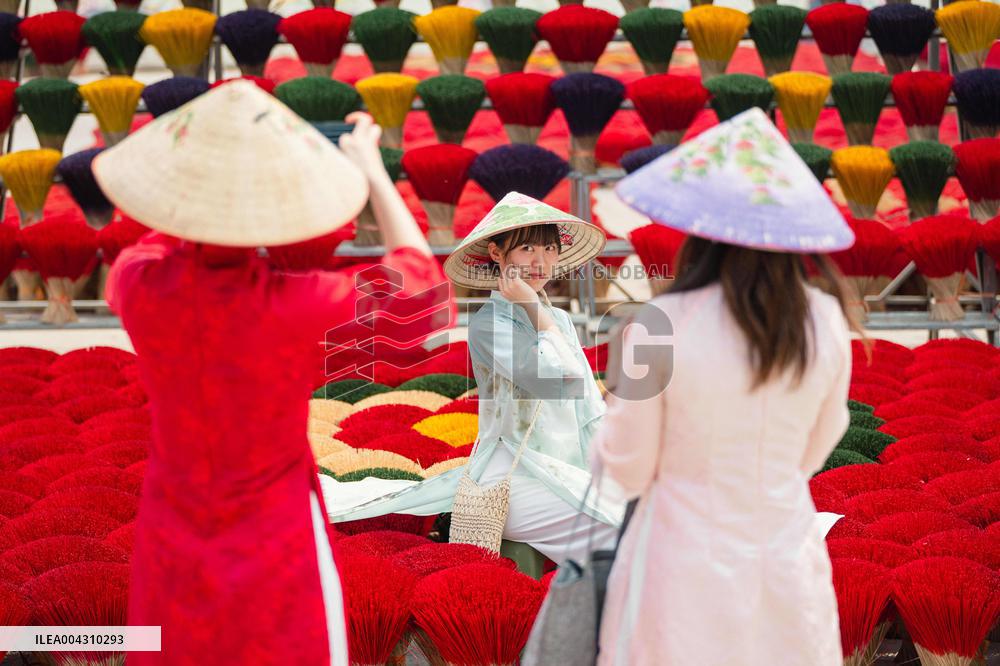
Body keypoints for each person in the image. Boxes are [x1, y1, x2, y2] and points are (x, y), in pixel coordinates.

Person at [94, 81, 454, 665]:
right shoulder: (293, 306)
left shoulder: (138, 284)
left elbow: (157, 239)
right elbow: (424, 296)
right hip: (275, 538)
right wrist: (371, 173)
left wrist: (200, 183)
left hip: (171, 536)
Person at [592, 108, 860, 666]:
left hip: (681, 559)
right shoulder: (826, 319)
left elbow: (629, 466)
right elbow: (823, 436)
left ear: (701, 230)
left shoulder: (659, 322)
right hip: (784, 544)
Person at [324, 192, 624, 563]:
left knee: (640, 515)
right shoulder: (489, 324)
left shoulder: (556, 319)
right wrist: (532, 308)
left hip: (564, 468)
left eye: (549, 249)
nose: (541, 261)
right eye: (527, 248)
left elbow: (586, 404)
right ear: (497, 254)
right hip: (512, 478)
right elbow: (561, 382)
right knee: (617, 534)